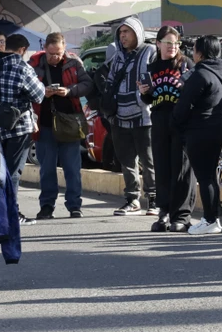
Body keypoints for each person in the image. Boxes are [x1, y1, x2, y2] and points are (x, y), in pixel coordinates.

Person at [28, 33, 94, 220]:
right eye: (51, 54)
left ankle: (75, 206)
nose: (54, 58)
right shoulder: (34, 63)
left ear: (64, 49)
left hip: (70, 124)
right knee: (47, 169)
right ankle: (47, 206)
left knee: (72, 168)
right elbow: (25, 88)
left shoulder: (74, 62)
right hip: (44, 124)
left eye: (58, 53)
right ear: (45, 49)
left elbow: (87, 84)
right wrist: (43, 92)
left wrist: (69, 91)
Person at [139, 26, 196, 232]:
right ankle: (163, 211)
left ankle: (181, 215)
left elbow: (193, 92)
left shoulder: (186, 64)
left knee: (181, 168)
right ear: (158, 43)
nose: (172, 47)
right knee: (162, 167)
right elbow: (148, 99)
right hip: (160, 120)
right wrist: (144, 92)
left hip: (181, 121)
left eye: (175, 43)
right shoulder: (152, 68)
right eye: (168, 43)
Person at [173, 36, 222, 235]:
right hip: (217, 127)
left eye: (195, 50)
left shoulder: (200, 74)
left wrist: (179, 123)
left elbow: (183, 107)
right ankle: (213, 218)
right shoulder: (221, 71)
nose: (193, 53)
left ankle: (210, 219)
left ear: (201, 52)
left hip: (199, 130)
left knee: (204, 177)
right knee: (210, 176)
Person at [0, 34, 46, 225]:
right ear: (22, 49)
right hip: (18, 128)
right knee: (13, 173)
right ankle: (10, 214)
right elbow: (39, 95)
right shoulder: (22, 67)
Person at [106, 17, 158, 217]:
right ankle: (132, 199)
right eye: (121, 32)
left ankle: (153, 199)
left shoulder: (150, 52)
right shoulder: (117, 56)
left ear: (137, 33)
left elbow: (154, 81)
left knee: (148, 160)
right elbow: (111, 81)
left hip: (144, 117)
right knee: (126, 161)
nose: (123, 36)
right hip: (119, 118)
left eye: (127, 32)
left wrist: (142, 98)